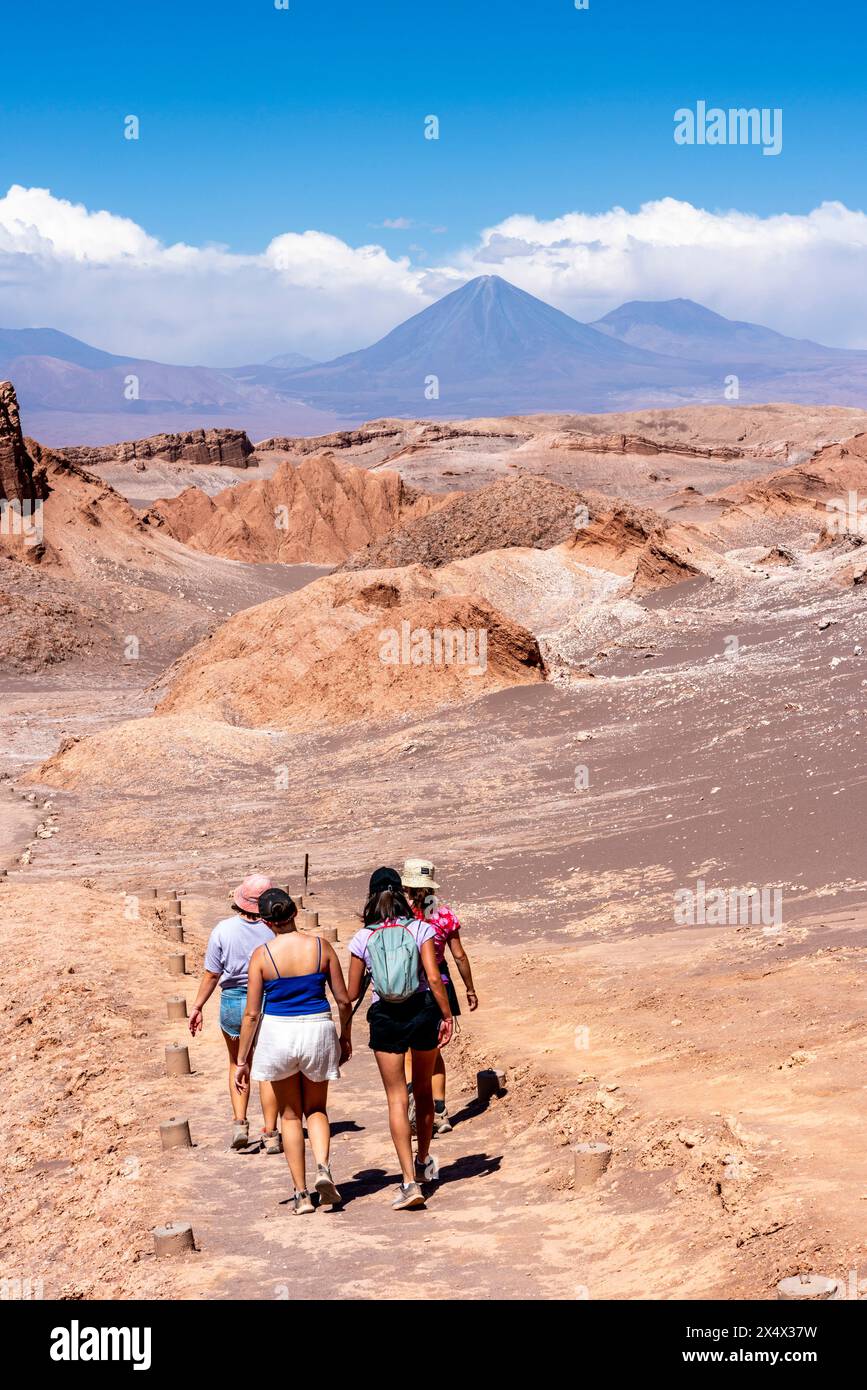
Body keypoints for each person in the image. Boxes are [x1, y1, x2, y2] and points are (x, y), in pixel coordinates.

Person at [234, 888, 352, 1214]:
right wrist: (345, 1036)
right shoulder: (320, 947)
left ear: (265, 922)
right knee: (317, 1109)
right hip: (318, 1028)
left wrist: (242, 1060)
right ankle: (324, 1169)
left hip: (278, 1033)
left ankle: (301, 1195)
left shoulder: (261, 955)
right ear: (295, 914)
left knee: (289, 1114)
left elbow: (252, 1014)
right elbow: (343, 1000)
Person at [347, 867, 453, 1211]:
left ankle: (407, 1181)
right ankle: (424, 1162)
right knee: (422, 1090)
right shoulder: (421, 928)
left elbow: (349, 993)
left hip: (386, 1017)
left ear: (371, 898)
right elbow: (434, 978)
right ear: (402, 894)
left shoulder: (363, 937)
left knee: (396, 1098)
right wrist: (447, 1015)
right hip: (422, 1010)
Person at [189, 874, 280, 1152]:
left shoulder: (222, 930)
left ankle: (240, 1123)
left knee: (236, 1063)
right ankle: (271, 1132)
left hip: (231, 1001)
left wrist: (197, 1006)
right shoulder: (274, 929)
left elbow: (212, 974)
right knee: (266, 1068)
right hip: (265, 1000)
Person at [401, 857, 478, 1136]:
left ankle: (415, 1111)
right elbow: (458, 955)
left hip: (409, 988)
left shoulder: (399, 918)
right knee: (434, 1054)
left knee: (411, 1055)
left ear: (405, 885)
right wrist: (469, 988)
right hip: (439, 988)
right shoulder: (443, 915)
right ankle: (441, 1112)